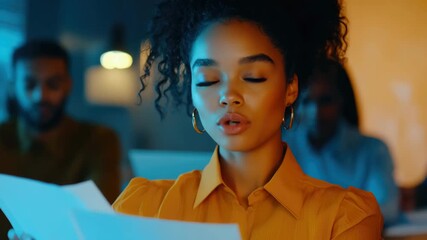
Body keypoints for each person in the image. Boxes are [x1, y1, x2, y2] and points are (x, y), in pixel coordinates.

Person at [112, 0, 384, 239]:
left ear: (290, 88)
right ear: (192, 93)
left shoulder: (344, 218)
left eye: (253, 77)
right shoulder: (142, 208)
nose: (228, 96)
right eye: (208, 80)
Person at [1, 40, 121, 238]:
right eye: (30, 84)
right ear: (14, 87)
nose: (42, 96)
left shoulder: (98, 140)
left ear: (68, 86)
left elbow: (99, 222)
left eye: (53, 84)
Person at [282, 58, 400, 227]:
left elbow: (386, 209)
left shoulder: (373, 150)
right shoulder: (279, 147)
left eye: (326, 100)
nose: (316, 112)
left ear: (342, 100)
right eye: (307, 101)